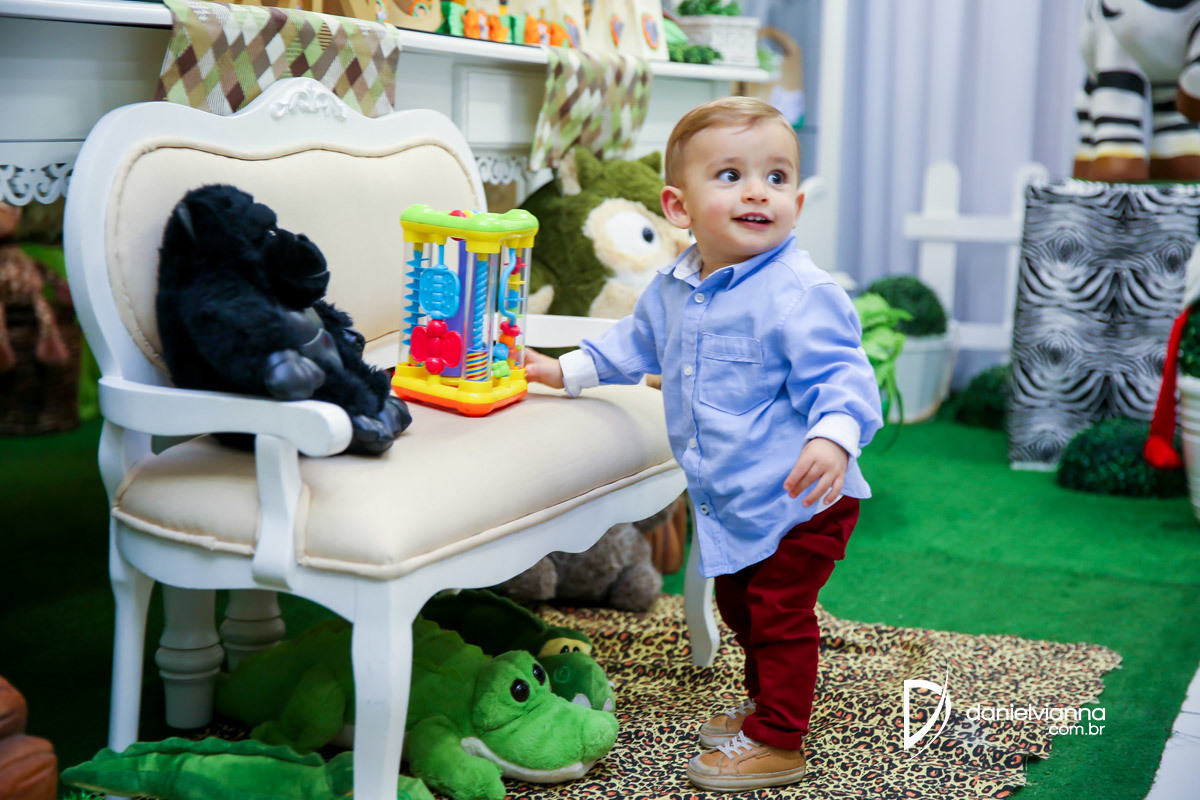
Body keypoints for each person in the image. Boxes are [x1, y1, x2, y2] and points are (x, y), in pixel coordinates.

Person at [524, 96, 883, 791]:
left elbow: (844, 377)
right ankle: (766, 705)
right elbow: (631, 344)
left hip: (803, 500)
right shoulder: (674, 286)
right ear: (678, 206)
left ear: (796, 203)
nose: (757, 191)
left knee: (778, 613)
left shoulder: (800, 292)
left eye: (776, 177)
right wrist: (564, 371)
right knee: (740, 606)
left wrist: (833, 439)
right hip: (737, 500)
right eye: (730, 175)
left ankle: (780, 738)